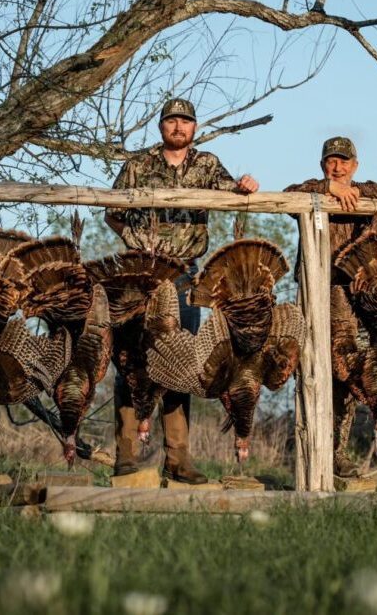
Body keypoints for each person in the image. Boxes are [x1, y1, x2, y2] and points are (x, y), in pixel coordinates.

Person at [104, 98, 258, 484]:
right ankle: (126, 455)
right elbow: (111, 210)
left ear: (194, 128)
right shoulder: (137, 165)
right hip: (141, 274)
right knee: (131, 363)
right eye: (172, 120)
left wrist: (246, 184)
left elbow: (233, 190)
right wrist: (134, 239)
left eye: (185, 121)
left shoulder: (206, 164)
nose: (178, 126)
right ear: (161, 126)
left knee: (181, 366)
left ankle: (178, 458)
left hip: (185, 277)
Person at [284, 136, 377, 477]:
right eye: (330, 161)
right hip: (316, 292)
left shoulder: (362, 193)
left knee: (349, 376)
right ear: (322, 164)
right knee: (312, 372)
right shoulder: (312, 191)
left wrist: (357, 192)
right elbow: (287, 192)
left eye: (343, 162)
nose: (336, 167)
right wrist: (328, 189)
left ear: (355, 165)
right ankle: (312, 456)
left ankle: (336, 452)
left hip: (356, 297)